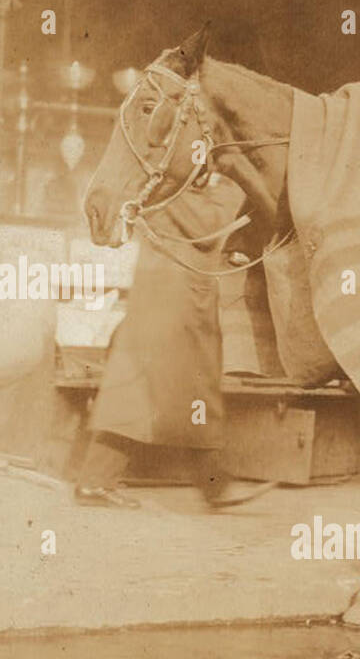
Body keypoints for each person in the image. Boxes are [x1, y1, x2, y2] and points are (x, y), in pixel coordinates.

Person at [74, 173, 256, 510]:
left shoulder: (169, 182)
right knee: (145, 390)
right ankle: (95, 481)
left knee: (188, 391)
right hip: (169, 297)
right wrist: (202, 185)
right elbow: (207, 225)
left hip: (181, 296)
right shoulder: (176, 182)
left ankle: (213, 484)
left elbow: (207, 222)